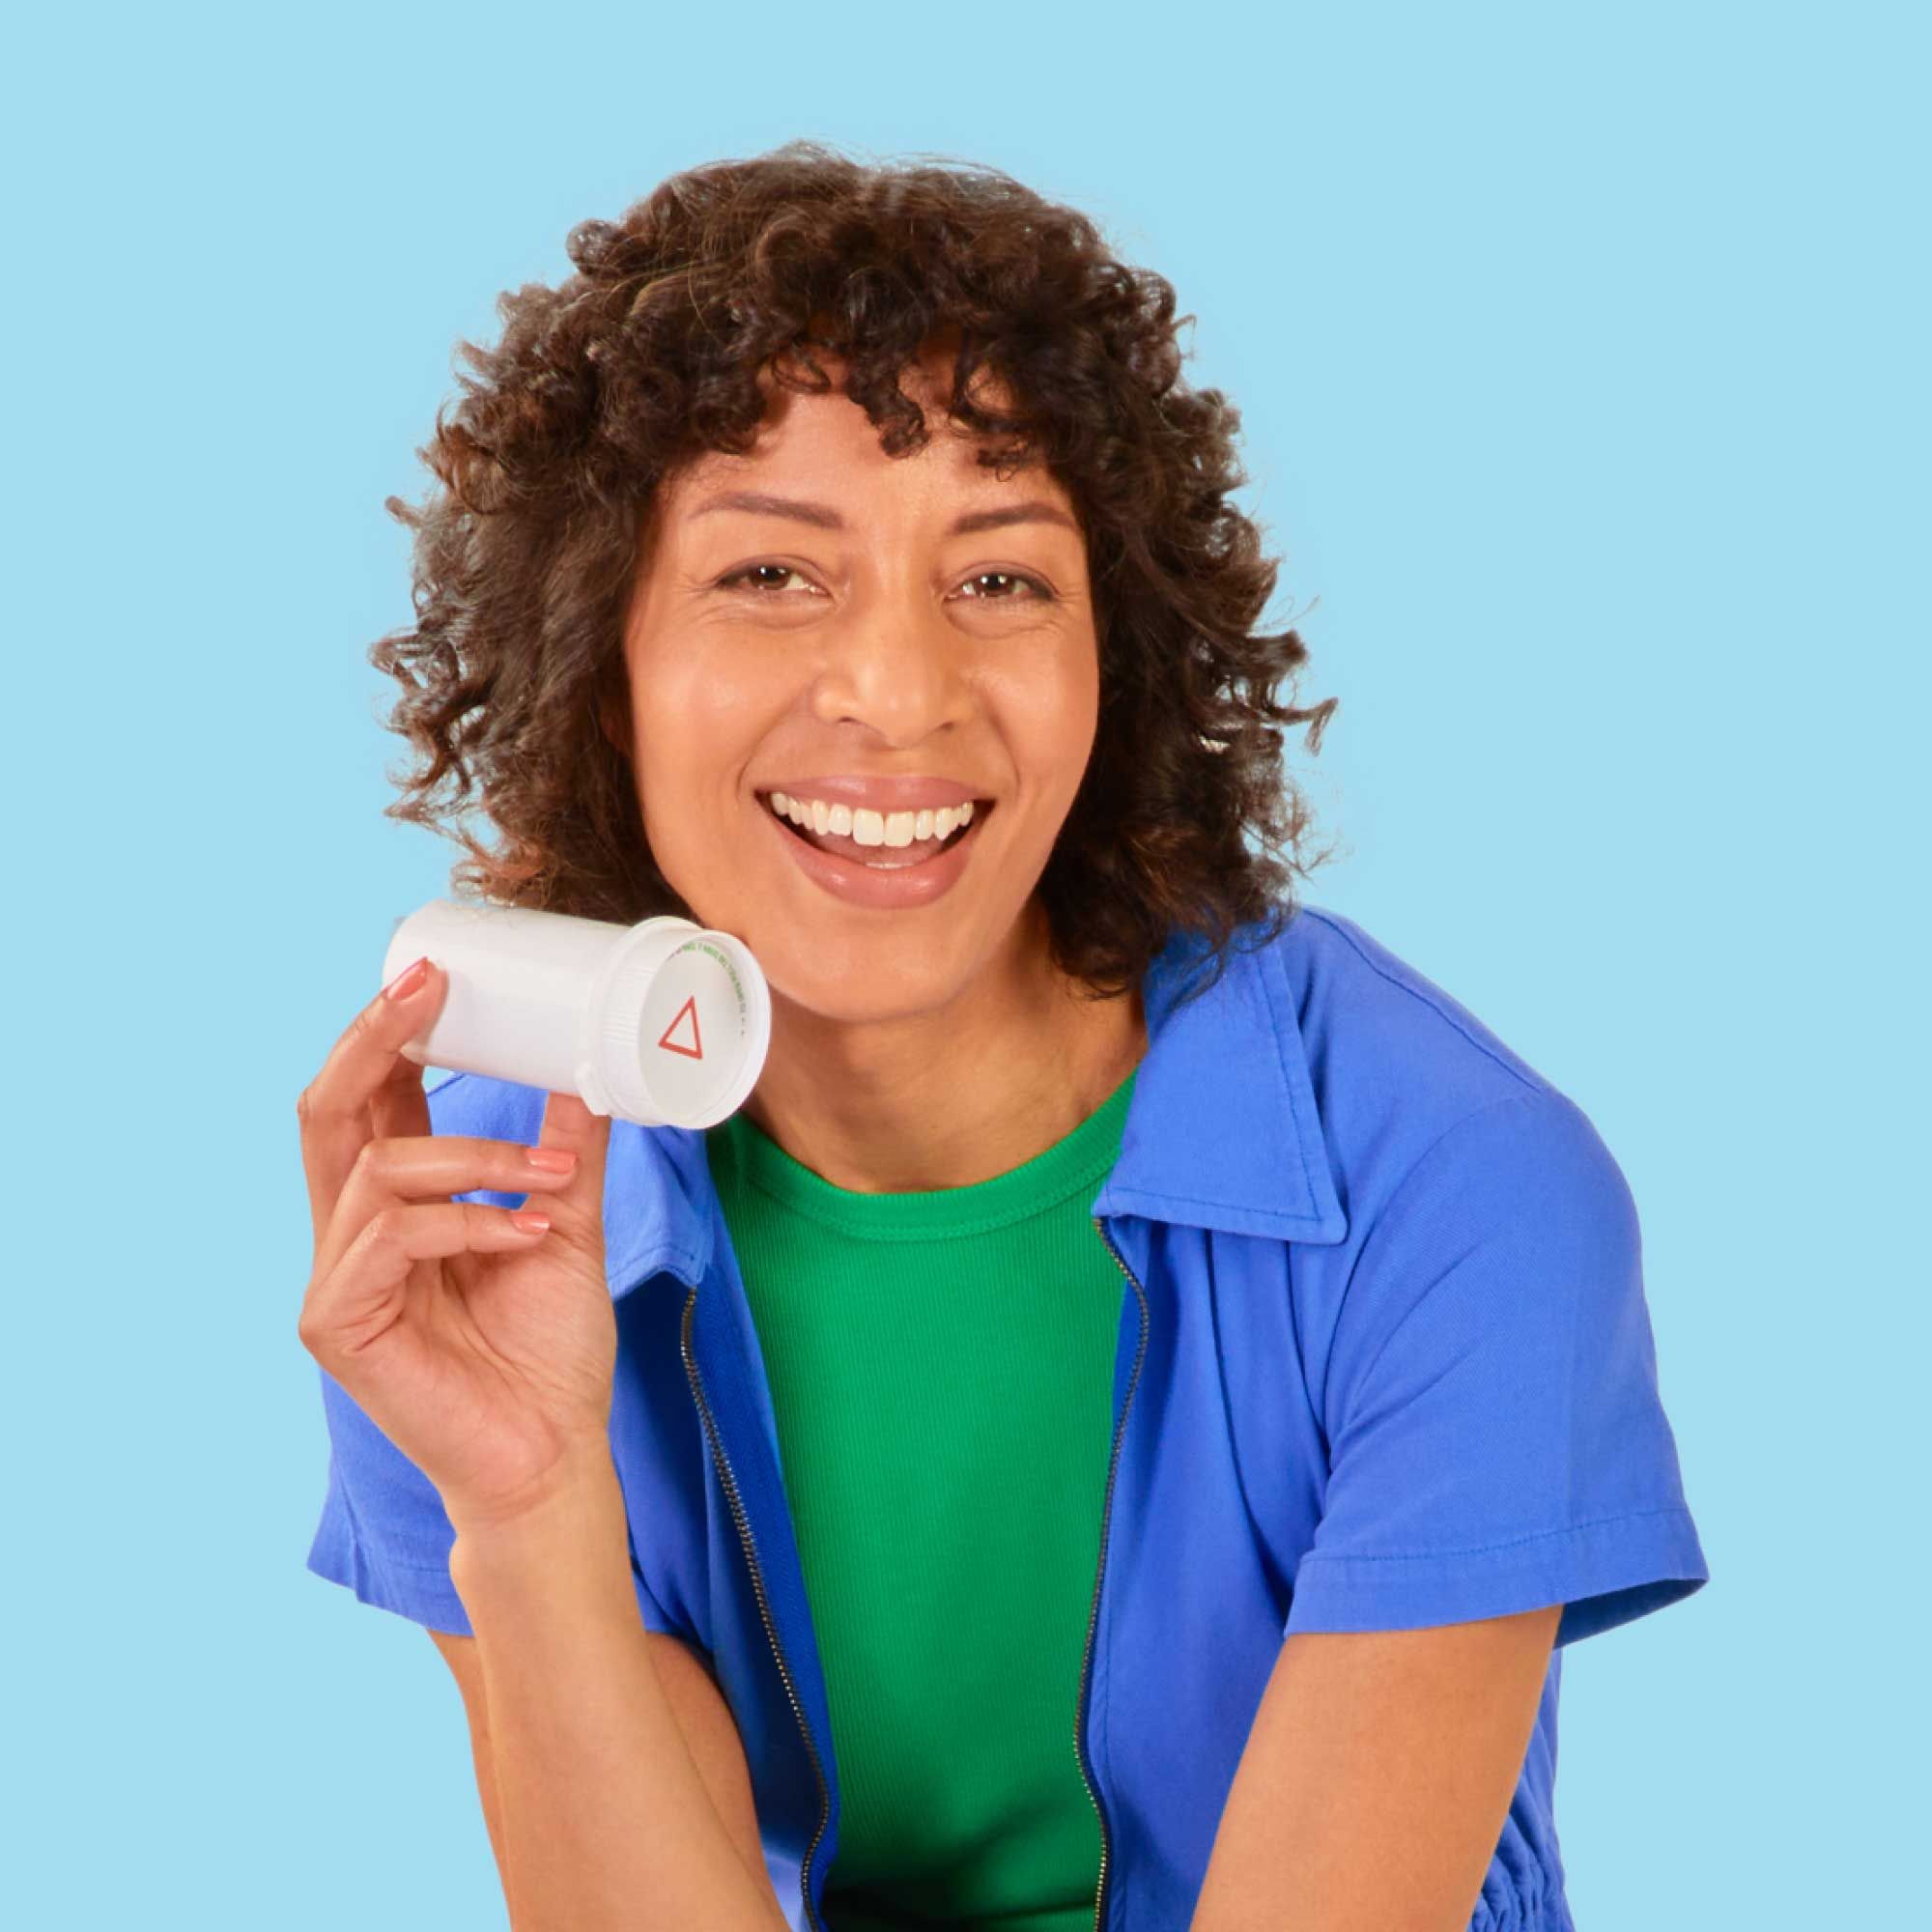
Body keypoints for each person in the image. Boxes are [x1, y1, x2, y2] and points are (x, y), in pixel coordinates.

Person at [298, 140, 1710, 1932]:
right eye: (770, 578)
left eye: (1001, 580)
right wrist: (527, 1512)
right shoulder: (475, 1221)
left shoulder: (1454, 1188)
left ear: (1119, 658)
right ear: (603, 663)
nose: (898, 693)